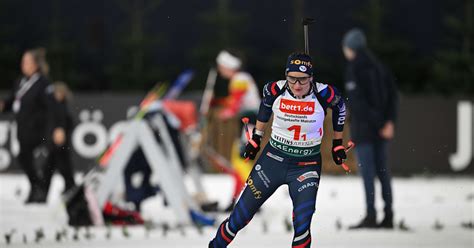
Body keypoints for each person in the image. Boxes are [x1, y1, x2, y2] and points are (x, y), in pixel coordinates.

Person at [209, 52, 348, 247]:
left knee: (302, 223)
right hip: (272, 162)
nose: (297, 85)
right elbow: (265, 107)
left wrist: (337, 143)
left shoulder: (324, 93)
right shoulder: (275, 88)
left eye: (303, 80)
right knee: (238, 219)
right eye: (292, 79)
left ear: (311, 77)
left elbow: (340, 106)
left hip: (305, 166)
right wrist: (256, 137)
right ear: (286, 75)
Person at [342, 28, 399, 229]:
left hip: (366, 131)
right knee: (383, 172)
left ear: (350, 48)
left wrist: (378, 124)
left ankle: (371, 215)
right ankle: (389, 215)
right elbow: (393, 96)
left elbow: (359, 104)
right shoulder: (380, 66)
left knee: (368, 174)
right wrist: (388, 122)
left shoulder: (354, 68)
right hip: (381, 130)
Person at [0, 48, 64, 203]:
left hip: (39, 128)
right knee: (23, 158)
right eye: (23, 61)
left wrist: (57, 127)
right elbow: (12, 101)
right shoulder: (20, 81)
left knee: (43, 157)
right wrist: (3, 105)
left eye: (27, 61)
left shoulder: (43, 83)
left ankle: (41, 188)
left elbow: (52, 106)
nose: (23, 64)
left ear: (36, 64)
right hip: (22, 128)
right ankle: (37, 187)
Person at [215, 50, 261, 211]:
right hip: (247, 124)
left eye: (221, 67)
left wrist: (224, 113)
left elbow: (235, 103)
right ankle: (236, 200)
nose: (220, 70)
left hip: (249, 124)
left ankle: (252, 198)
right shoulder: (241, 78)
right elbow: (234, 100)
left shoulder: (239, 79)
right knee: (238, 164)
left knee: (241, 163)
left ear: (228, 66)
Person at [42, 81, 77, 197]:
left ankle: (70, 188)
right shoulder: (55, 104)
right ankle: (70, 188)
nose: (58, 94)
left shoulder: (62, 105)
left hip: (60, 141)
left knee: (59, 167)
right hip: (57, 141)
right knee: (53, 167)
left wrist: (61, 130)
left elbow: (68, 123)